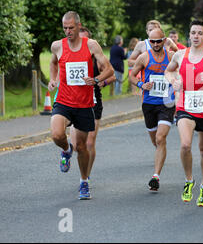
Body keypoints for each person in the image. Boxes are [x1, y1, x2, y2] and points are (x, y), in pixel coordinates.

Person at [48, 11, 114, 200]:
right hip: (63, 101)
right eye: (65, 28)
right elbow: (53, 63)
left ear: (78, 26)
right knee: (56, 134)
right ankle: (66, 150)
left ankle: (84, 182)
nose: (68, 31)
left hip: (85, 104)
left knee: (82, 147)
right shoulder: (57, 46)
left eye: (71, 28)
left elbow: (108, 69)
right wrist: (53, 79)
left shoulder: (91, 45)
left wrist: (95, 79)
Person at [165, 19, 203, 207]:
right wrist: (173, 81)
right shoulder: (179, 55)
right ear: (189, 34)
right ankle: (189, 180)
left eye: (200, 33)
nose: (196, 36)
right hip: (184, 106)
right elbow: (168, 72)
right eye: (193, 33)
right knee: (185, 145)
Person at [129, 28, 176, 191]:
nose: (155, 44)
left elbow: (181, 71)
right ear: (149, 42)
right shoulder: (144, 57)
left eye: (158, 41)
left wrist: (177, 82)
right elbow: (132, 75)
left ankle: (155, 176)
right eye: (152, 41)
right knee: (155, 140)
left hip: (167, 102)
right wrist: (142, 84)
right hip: (148, 103)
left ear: (164, 40)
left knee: (161, 138)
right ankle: (160, 153)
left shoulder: (170, 56)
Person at [69, 27, 116, 189]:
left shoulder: (96, 58)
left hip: (94, 102)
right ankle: (68, 151)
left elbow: (112, 75)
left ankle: (85, 177)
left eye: (85, 40)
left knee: (89, 142)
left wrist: (99, 81)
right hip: (74, 102)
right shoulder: (70, 57)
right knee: (76, 145)